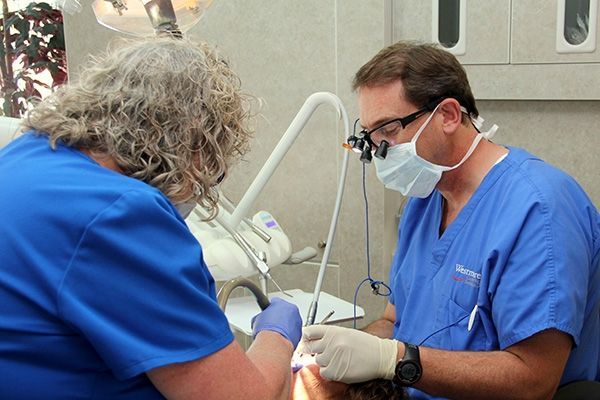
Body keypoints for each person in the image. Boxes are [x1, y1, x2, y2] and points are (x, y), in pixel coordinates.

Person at [0, 36, 302, 399]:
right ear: (193, 141)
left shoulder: (21, 157)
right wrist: (277, 336)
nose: (202, 185)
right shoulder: (123, 214)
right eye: (210, 168)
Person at [300, 41, 600, 399]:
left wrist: (393, 359)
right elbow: (395, 322)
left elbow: (533, 379)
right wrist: (338, 350)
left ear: (448, 115)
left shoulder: (539, 209)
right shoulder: (424, 202)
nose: (378, 151)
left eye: (389, 130)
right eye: (369, 135)